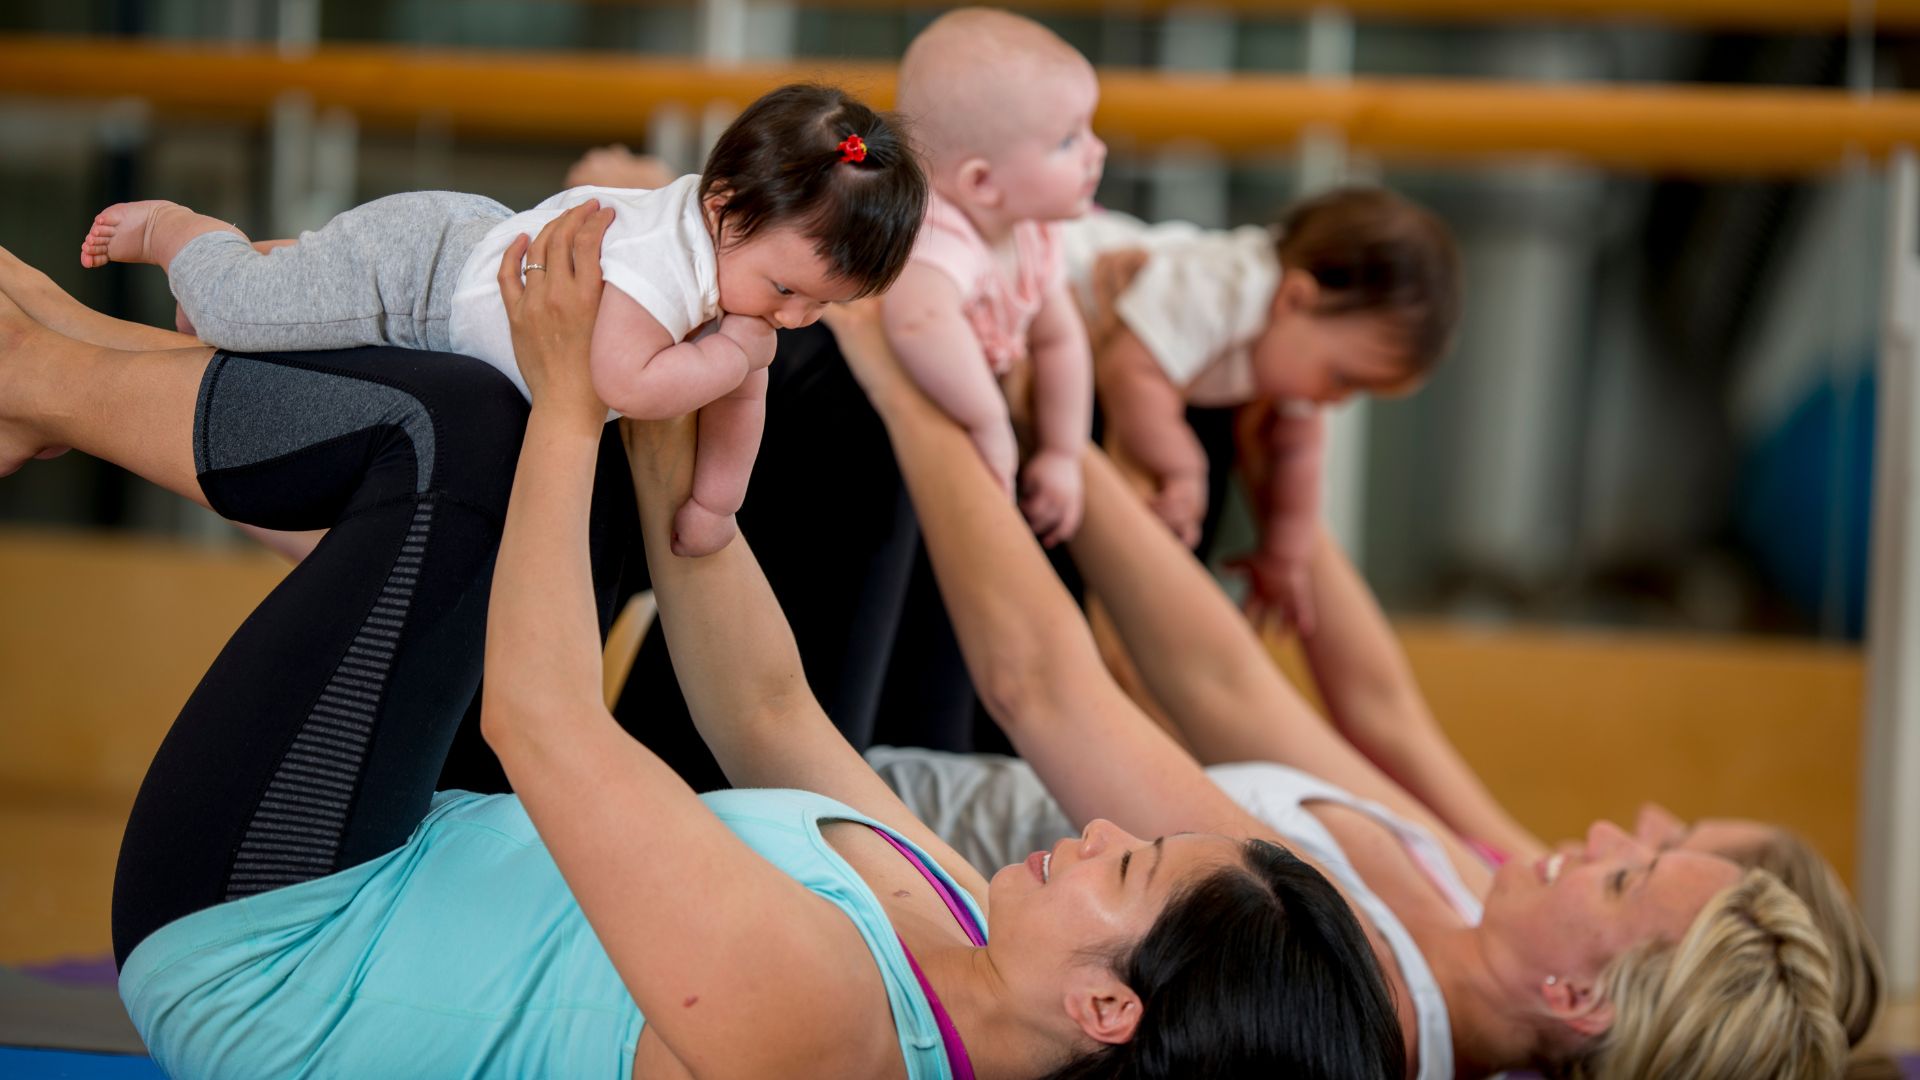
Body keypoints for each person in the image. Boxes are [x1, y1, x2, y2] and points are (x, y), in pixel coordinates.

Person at [0, 213, 1406, 1078]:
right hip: (413, 852)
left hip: (272, 944)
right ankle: (65, 349)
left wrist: (573, 401)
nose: (1096, 832)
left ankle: (35, 373)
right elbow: (768, 711)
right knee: (552, 446)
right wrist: (668, 417)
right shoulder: (966, 930)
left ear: (1106, 1008)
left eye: (1131, 869)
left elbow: (544, 724)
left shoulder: (828, 1030)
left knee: (466, 443)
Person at [822, 299, 1850, 1080]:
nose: (1613, 837)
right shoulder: (1467, 897)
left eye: (1625, 881)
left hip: (857, 816)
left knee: (838, 372)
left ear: (1576, 997)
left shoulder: (1342, 980)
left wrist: (928, 384)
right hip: (913, 757)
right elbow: (1230, 687)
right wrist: (1057, 430)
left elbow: (1045, 689)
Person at [78, 83, 926, 557]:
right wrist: (737, 355)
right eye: (787, 290)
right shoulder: (666, 269)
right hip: (420, 274)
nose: (797, 319)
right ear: (723, 206)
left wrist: (715, 504)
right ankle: (179, 233)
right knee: (241, 311)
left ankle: (264, 267)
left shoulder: (735, 272)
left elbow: (741, 401)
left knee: (291, 312)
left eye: (824, 304)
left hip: (472, 261)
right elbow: (622, 380)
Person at [1065, 187, 1460, 632]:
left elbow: (1300, 454)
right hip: (1054, 271)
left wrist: (1285, 555)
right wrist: (1181, 467)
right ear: (1294, 298)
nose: (1337, 400)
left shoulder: (1295, 341)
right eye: (1341, 378)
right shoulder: (1225, 289)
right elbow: (1129, 371)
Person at [882, 8, 1104, 547]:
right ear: (981, 183)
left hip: (947, 408)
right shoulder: (939, 231)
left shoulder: (1032, 231)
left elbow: (1059, 340)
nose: (1096, 152)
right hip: (873, 413)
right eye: (1068, 141)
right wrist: (989, 420)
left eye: (1089, 129)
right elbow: (918, 323)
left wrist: (1063, 452)